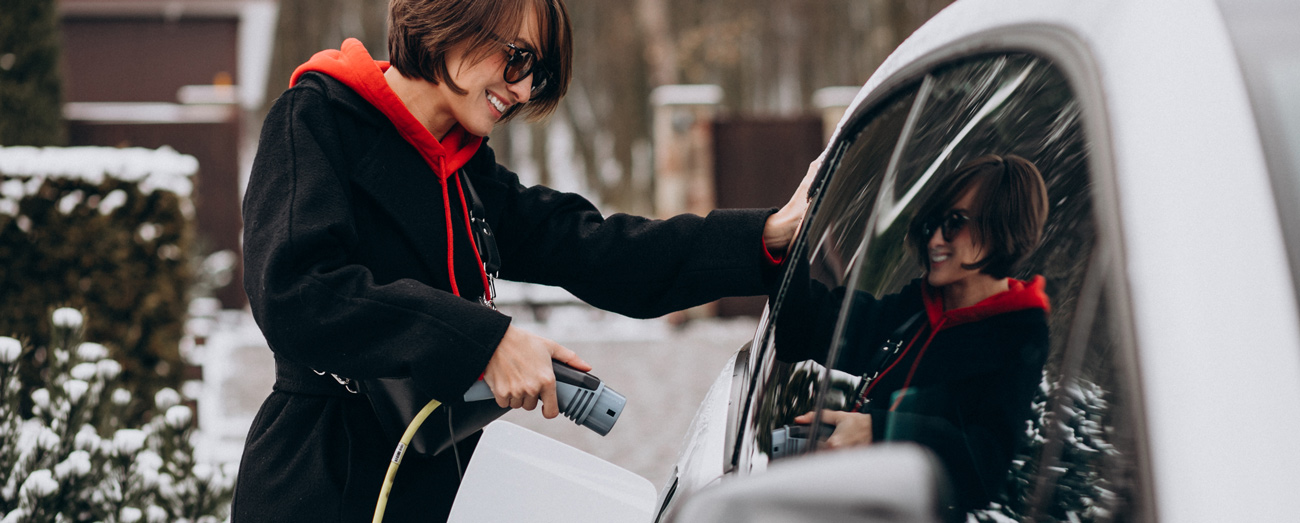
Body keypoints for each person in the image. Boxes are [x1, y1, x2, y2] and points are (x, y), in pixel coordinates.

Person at [234, 0, 815, 521]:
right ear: (451, 17)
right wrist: (485, 342)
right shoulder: (317, 118)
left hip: (438, 482)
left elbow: (601, 252)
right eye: (517, 58)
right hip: (322, 482)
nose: (522, 89)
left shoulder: (465, 171)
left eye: (536, 75)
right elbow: (295, 291)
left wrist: (762, 236)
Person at [789, 154, 1050, 513]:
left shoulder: (1019, 336)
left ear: (1002, 227)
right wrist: (775, 240)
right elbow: (817, 325)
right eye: (932, 224)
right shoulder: (916, 309)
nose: (934, 240)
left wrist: (879, 431)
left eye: (954, 223)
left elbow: (985, 467)